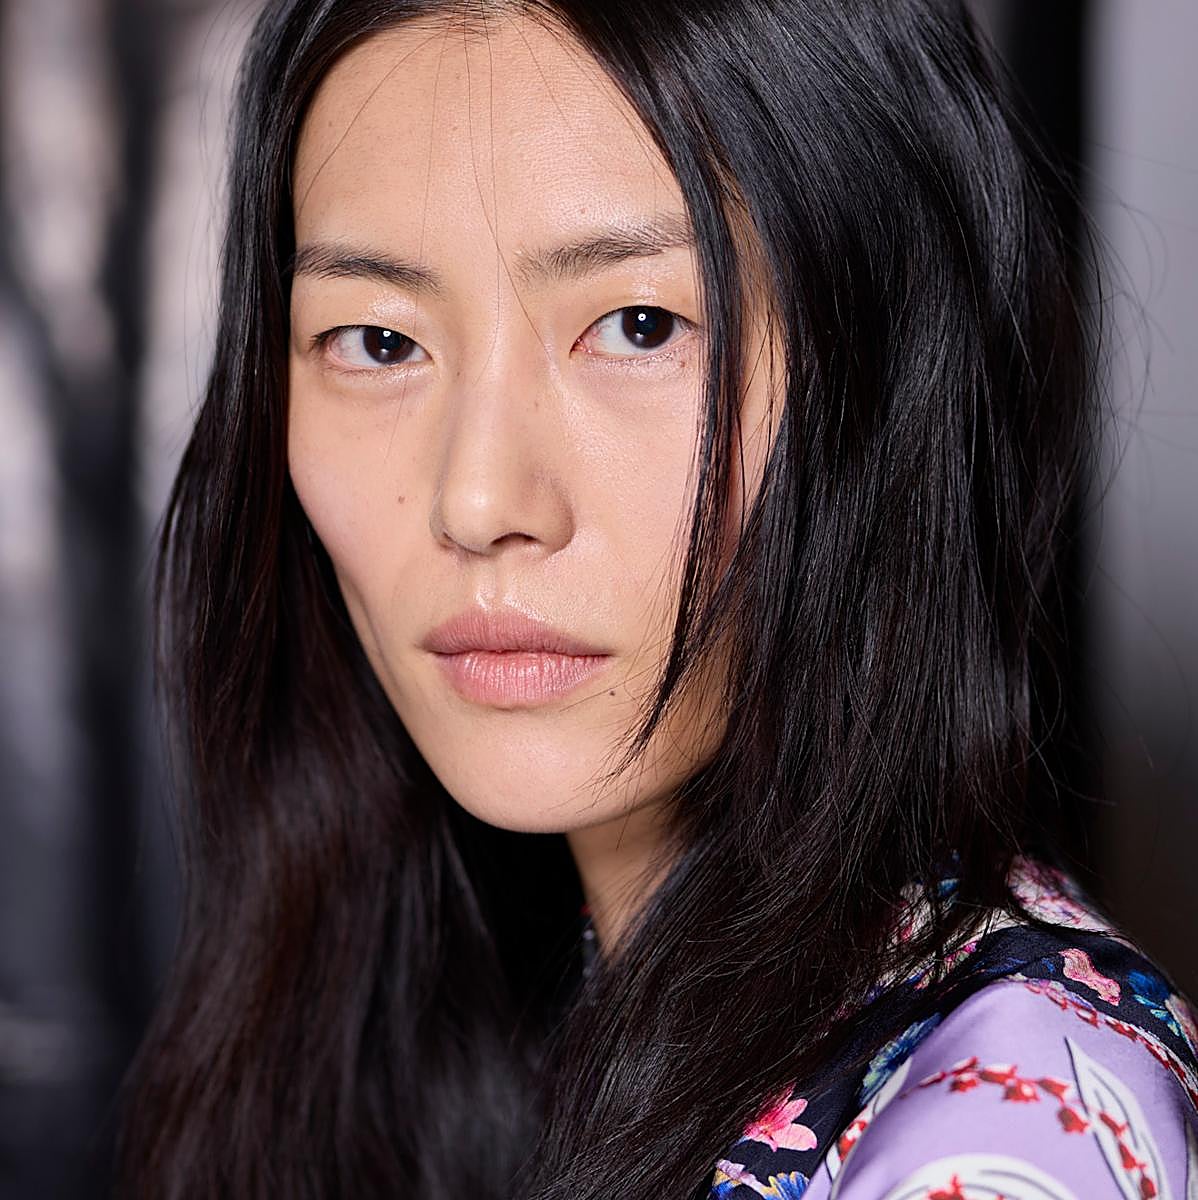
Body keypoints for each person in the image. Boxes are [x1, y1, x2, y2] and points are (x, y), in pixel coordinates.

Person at [116, 1, 1198, 1197]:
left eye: (640, 326)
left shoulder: (1002, 1127)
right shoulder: (455, 1014)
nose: (478, 501)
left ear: (888, 381)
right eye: (377, 342)